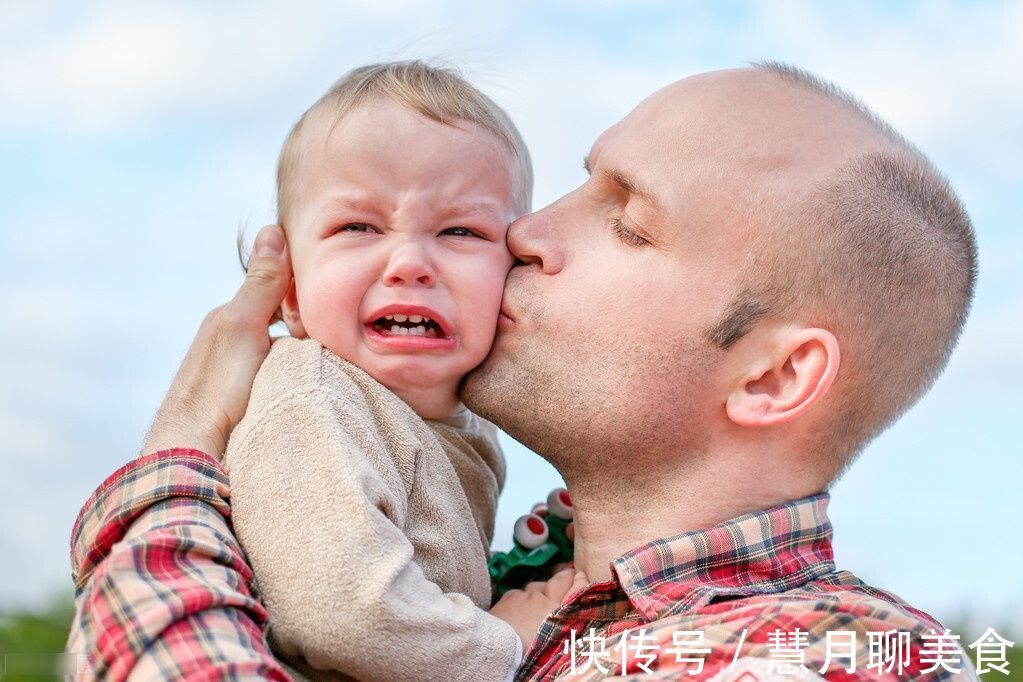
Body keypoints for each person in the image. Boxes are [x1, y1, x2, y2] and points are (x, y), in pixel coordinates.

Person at [67, 62, 979, 681]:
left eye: (626, 222)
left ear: (773, 379)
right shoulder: (510, 591)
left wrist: (173, 469)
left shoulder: (830, 656)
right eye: (578, 187)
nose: (525, 233)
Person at [211, 60, 581, 682]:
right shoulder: (310, 400)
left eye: (461, 230)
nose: (410, 263)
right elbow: (341, 614)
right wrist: (506, 642)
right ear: (291, 292)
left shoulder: (463, 423)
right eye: (357, 227)